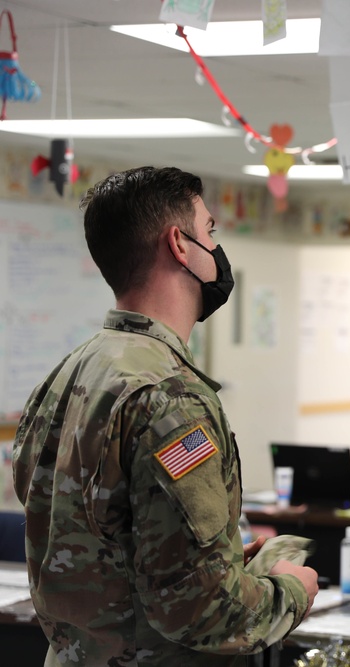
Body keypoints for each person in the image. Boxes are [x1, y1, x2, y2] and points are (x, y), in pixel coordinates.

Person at [12, 166, 319, 666]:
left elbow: (102, 551)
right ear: (180, 245)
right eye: (210, 231)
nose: (216, 247)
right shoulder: (171, 397)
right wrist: (292, 590)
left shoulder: (69, 373)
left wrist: (219, 564)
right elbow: (198, 613)